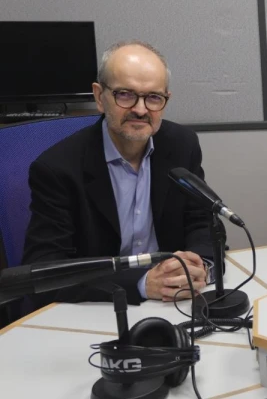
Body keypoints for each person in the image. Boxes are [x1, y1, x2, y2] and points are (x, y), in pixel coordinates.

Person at [23, 41, 214, 307]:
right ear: (99, 96)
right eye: (125, 95)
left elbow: (202, 223)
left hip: (173, 301)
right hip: (99, 306)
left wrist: (200, 266)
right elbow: (46, 270)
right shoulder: (57, 168)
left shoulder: (182, 145)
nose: (140, 109)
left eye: (153, 97)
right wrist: (141, 283)